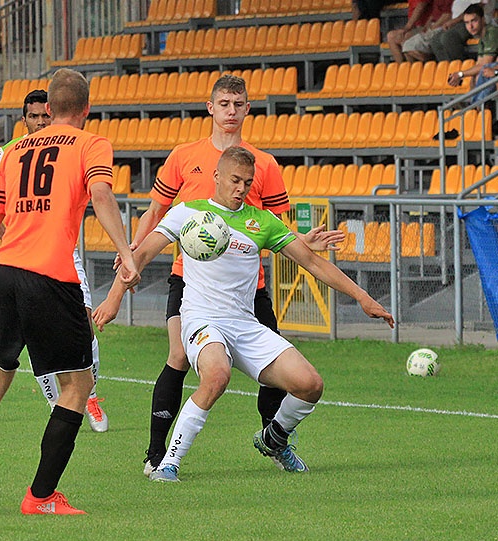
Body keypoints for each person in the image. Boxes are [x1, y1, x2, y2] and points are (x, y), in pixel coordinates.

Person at [94, 147, 394, 482]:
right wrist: (114, 297)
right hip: (202, 320)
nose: (241, 188)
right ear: (217, 177)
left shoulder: (261, 221)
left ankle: (275, 439)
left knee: (310, 385)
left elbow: (312, 262)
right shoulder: (187, 214)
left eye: (247, 182)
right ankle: (168, 464)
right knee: (217, 375)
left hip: (244, 324)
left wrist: (364, 297)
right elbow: (142, 254)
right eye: (235, 180)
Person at [0, 69, 139, 516]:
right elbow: (102, 196)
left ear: (48, 109)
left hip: (6, 272)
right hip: (51, 276)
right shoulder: (91, 143)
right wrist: (126, 253)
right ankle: (40, 496)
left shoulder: (12, 151)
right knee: (77, 384)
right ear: (86, 109)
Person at [124, 75, 344, 474]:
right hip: (189, 277)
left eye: (237, 104)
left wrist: (303, 243)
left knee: (275, 373)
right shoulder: (183, 156)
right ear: (210, 107)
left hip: (247, 286)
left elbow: (272, 226)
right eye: (222, 103)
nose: (230, 110)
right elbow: (156, 212)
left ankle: (276, 442)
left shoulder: (264, 164)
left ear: (246, 109)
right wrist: (131, 256)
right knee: (179, 357)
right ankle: (158, 455)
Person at [0, 88, 109, 433]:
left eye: (44, 116)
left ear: (53, 114)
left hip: (63, 254)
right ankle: (58, 402)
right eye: (33, 116)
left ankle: (89, 394)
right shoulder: (6, 154)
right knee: (32, 337)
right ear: (23, 120)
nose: (39, 122)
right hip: (21, 259)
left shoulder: (72, 146)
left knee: (84, 320)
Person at [448, 4, 498, 103]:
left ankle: (475, 106)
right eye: (467, 23)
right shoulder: (481, 39)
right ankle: (474, 107)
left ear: (483, 20)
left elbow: (485, 64)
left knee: (484, 71)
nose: (470, 26)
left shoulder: (492, 33)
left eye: (474, 21)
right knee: (474, 76)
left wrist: (461, 74)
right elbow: (479, 65)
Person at [403, 0, 476, 62]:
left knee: (447, 37)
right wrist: (428, 25)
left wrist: (433, 28)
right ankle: (444, 67)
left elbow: (448, 15)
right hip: (446, 24)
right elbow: (434, 15)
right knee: (435, 41)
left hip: (463, 22)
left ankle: (459, 66)